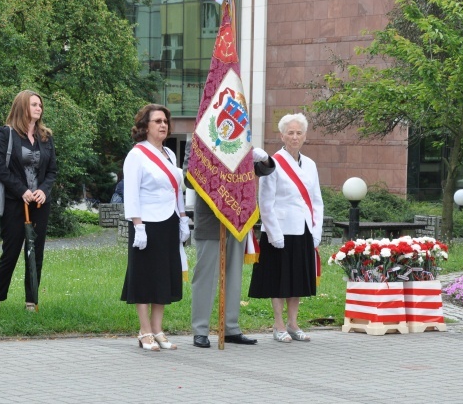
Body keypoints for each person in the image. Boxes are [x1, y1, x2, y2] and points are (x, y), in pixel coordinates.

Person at [182, 141, 275, 348]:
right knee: (206, 274)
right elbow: (189, 179)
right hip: (211, 219)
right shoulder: (198, 142)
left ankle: (231, 327)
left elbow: (264, 169)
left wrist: (264, 158)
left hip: (238, 217)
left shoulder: (241, 141)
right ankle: (201, 329)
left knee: (233, 273)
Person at [248, 112, 323, 343]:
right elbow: (266, 202)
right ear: (281, 135)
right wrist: (273, 233)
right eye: (290, 132)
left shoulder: (310, 164)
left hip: (303, 230)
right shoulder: (273, 163)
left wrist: (316, 230)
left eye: (299, 132)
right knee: (279, 280)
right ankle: (278, 324)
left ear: (305, 136)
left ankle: (293, 323)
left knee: (297, 280)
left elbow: (317, 200)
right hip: (279, 231)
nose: (294, 137)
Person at [121, 103, 188, 351]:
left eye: (165, 121)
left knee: (163, 277)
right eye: (157, 121)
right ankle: (144, 331)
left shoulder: (169, 155)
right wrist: (137, 224)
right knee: (145, 277)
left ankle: (158, 329)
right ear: (144, 127)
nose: (163, 125)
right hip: (146, 223)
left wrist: (182, 219)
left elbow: (176, 190)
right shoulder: (137, 155)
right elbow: (131, 193)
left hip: (168, 221)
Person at [0, 90, 57, 312]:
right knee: (11, 250)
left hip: (39, 204)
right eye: (34, 104)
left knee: (36, 251)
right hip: (14, 202)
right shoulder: (6, 133)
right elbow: (0, 168)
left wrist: (44, 191)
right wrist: (22, 191)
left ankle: (31, 301)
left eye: (40, 104)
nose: (39, 108)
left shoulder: (46, 136)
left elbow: (52, 171)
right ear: (22, 107)